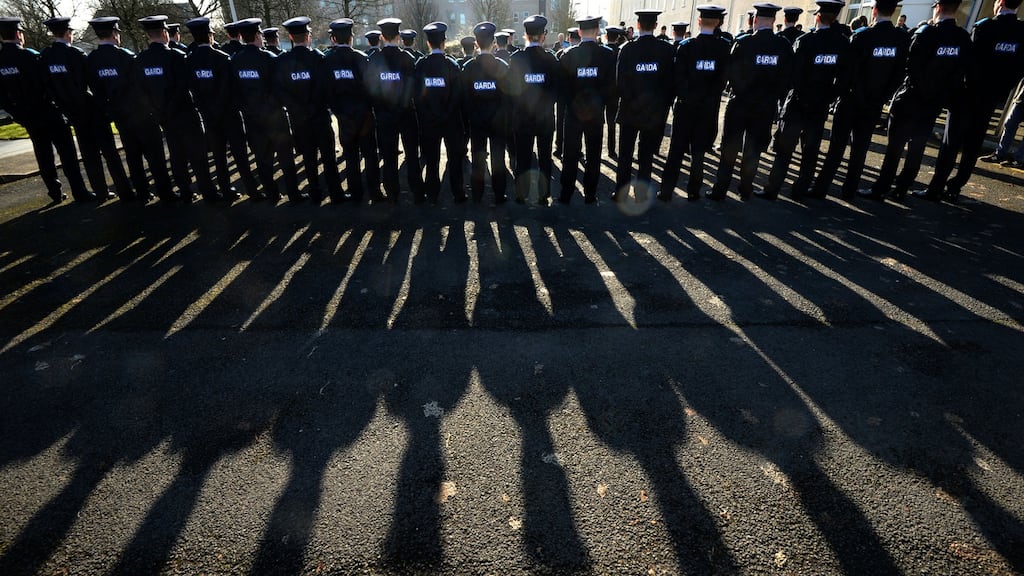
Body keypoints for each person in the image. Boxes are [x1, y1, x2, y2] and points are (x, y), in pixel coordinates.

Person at [867, 0, 973, 201]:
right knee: (917, 147)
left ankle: (881, 188)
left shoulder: (926, 33)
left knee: (895, 148)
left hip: (911, 99)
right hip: (934, 102)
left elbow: (910, 67)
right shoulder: (962, 38)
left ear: (939, 7)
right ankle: (902, 187)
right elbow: (961, 71)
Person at [922, 0, 1024, 201]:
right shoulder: (1021, 32)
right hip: (991, 98)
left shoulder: (985, 27)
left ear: (1000, 3)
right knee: (972, 146)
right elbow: (1018, 68)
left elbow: (968, 62)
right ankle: (955, 187)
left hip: (967, 95)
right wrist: (1000, 91)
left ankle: (936, 188)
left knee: (950, 144)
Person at [811, 0, 909, 199]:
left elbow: (847, 71)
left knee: (837, 147)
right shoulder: (900, 38)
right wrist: (883, 97)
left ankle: (821, 188)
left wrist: (838, 95)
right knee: (860, 148)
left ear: (874, 10)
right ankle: (849, 190)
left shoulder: (862, 37)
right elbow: (899, 74)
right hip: (874, 103)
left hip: (851, 100)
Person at [758, 0, 850, 200]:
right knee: (810, 151)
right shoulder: (842, 43)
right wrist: (828, 97)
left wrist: (801, 96)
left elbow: (794, 74)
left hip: (798, 104)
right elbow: (844, 77)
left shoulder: (806, 40)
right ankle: (801, 189)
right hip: (820, 104)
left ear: (817, 16)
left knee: (784, 150)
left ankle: (772, 189)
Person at [0, 16, 91, 203]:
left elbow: (2, 97)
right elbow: (48, 84)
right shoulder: (32, 57)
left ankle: (55, 192)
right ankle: (79, 191)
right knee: (67, 154)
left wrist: (19, 115)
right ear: (19, 35)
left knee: (43, 155)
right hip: (49, 112)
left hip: (28, 116)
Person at [40, 16, 130, 200]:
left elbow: (49, 86)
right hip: (91, 111)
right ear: (67, 33)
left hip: (72, 112)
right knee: (110, 153)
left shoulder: (46, 57)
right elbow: (89, 83)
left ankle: (101, 192)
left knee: (89, 156)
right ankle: (124, 190)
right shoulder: (76, 55)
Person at [710, 2, 793, 201]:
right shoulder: (782, 46)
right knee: (753, 150)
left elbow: (729, 72)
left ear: (755, 20)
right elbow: (787, 77)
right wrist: (773, 96)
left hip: (740, 103)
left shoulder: (744, 42)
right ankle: (746, 189)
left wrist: (741, 91)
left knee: (730, 147)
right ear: (774, 21)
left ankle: (720, 190)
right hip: (765, 105)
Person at [133, 15, 216, 201]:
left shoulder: (141, 60)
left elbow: (141, 90)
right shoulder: (176, 56)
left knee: (176, 154)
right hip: (184, 113)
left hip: (162, 117)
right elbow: (183, 87)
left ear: (148, 35)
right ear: (165, 33)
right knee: (197, 154)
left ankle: (185, 191)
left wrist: (158, 111)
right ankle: (208, 191)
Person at [87, 16, 170, 202]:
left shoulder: (92, 60)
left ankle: (142, 193)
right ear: (115, 34)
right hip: (140, 115)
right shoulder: (126, 57)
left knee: (133, 157)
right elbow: (140, 86)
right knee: (155, 157)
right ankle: (165, 192)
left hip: (119, 116)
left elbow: (96, 90)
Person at [660, 4, 732, 201]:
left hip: (685, 106)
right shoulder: (724, 48)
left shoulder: (686, 46)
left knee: (676, 150)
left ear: (699, 22)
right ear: (717, 22)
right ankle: (693, 191)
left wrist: (686, 97)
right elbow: (722, 80)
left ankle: (666, 191)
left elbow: (678, 78)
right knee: (698, 152)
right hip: (707, 107)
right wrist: (707, 98)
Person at [231, 17, 302, 201]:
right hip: (275, 117)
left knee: (263, 159)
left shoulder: (235, 61)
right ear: (256, 35)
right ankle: (294, 194)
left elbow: (235, 92)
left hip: (252, 118)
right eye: (260, 34)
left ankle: (271, 193)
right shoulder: (270, 59)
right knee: (285, 158)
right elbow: (281, 88)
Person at [184, 17, 255, 200]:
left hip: (208, 116)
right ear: (209, 36)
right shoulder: (222, 58)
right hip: (229, 114)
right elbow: (228, 89)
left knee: (219, 156)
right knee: (240, 155)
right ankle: (252, 189)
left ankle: (225, 189)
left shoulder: (189, 61)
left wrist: (206, 110)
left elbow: (193, 90)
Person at [274, 16, 341, 203]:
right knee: (328, 158)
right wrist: (316, 106)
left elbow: (280, 90)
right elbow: (326, 88)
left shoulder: (282, 61)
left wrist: (297, 108)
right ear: (308, 36)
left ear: (290, 37)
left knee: (309, 158)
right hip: (319, 116)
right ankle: (336, 193)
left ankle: (314, 192)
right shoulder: (319, 59)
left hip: (299, 119)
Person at [614, 9, 675, 202]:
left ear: (638, 25)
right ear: (656, 26)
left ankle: (621, 193)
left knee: (625, 154)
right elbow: (669, 84)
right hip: (653, 112)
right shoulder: (666, 50)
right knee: (646, 155)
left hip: (630, 110)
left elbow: (620, 83)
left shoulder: (627, 49)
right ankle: (641, 194)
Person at [558, 15, 616, 204]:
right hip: (596, 114)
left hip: (574, 114)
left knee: (570, 154)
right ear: (598, 30)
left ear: (580, 32)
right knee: (593, 154)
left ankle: (566, 193)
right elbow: (611, 86)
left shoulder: (568, 54)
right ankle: (590, 194)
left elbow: (563, 89)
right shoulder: (607, 55)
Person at [324, 18, 381, 203]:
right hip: (364, 116)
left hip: (343, 117)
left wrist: (338, 112)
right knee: (370, 156)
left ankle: (356, 193)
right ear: (351, 37)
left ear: (333, 39)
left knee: (350, 157)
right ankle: (374, 192)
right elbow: (372, 88)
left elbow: (328, 92)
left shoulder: (328, 61)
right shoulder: (361, 58)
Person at [366, 17, 422, 203]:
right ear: (398, 36)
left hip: (384, 116)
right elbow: (414, 88)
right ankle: (417, 191)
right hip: (406, 113)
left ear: (382, 37)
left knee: (389, 156)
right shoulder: (407, 58)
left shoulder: (374, 60)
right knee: (412, 154)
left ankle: (392, 191)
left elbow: (372, 90)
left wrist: (380, 110)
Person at [508, 14, 560, 205]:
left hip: (522, 118)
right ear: (543, 35)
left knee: (522, 156)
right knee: (545, 156)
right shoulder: (551, 60)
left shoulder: (516, 59)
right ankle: (542, 194)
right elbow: (556, 91)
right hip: (545, 118)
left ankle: (521, 193)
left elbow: (509, 91)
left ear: (525, 35)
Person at [414, 21, 465, 203]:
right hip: (450, 121)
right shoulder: (452, 65)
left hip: (429, 122)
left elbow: (417, 96)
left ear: (428, 43)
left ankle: (432, 192)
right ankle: (458, 193)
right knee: (454, 159)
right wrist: (447, 114)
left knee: (431, 159)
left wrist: (428, 115)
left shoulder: (421, 65)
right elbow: (457, 96)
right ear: (444, 42)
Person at [462, 21, 510, 203]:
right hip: (497, 122)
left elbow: (465, 98)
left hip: (477, 122)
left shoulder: (469, 68)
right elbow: (508, 97)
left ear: (476, 43)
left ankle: (477, 194)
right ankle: (499, 194)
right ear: (494, 43)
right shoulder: (502, 66)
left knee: (478, 157)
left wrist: (471, 118)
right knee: (498, 159)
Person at [982, 76, 1024, 166]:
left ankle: (1019, 158)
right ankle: (1000, 153)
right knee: (1010, 123)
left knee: (1011, 123)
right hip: (1022, 98)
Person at [604, 26, 625, 158]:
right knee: (612, 121)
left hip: (602, 91)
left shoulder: (601, 51)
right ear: (617, 38)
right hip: (615, 91)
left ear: (606, 37)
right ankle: (612, 149)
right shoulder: (620, 51)